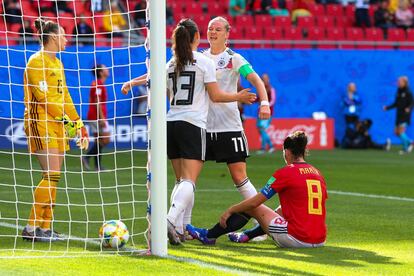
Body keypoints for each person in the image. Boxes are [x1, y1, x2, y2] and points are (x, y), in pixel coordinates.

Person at [121, 18, 257, 245]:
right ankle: (170, 219)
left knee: (180, 180)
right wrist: (239, 97)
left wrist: (131, 83)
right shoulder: (204, 62)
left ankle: (182, 227)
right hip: (192, 125)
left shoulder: (171, 63)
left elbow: (151, 77)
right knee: (189, 181)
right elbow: (215, 96)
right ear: (195, 38)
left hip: (170, 124)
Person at [171, 16, 271, 241]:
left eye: (217, 29)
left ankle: (261, 223)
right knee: (188, 178)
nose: (212, 32)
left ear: (227, 33)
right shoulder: (200, 57)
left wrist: (264, 103)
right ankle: (183, 226)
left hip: (229, 128)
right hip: (203, 127)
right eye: (209, 29)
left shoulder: (233, 59)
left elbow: (255, 80)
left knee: (239, 178)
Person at [186, 131, 328, 248]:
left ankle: (209, 235)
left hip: (298, 239)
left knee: (251, 205)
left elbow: (254, 203)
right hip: (320, 239)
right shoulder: (317, 173)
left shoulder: (285, 172)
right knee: (279, 210)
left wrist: (231, 210)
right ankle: (247, 235)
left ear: (287, 152)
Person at [21, 18, 89, 241]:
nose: (66, 39)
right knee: (51, 174)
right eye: (63, 35)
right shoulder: (35, 62)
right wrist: (66, 121)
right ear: (51, 38)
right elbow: (43, 99)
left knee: (54, 176)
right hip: (40, 122)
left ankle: (45, 227)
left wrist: (78, 123)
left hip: (57, 124)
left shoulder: (57, 63)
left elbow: (65, 96)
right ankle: (31, 228)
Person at [83, 64, 110, 171]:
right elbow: (97, 101)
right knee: (104, 139)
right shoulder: (97, 84)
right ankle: (87, 158)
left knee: (100, 140)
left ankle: (96, 165)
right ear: (101, 72)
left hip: (97, 116)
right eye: (105, 68)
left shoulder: (99, 84)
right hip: (96, 116)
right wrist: (102, 118)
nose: (107, 69)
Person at [383, 76, 413, 154]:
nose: (398, 83)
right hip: (399, 114)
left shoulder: (408, 92)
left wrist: (409, 108)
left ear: (405, 83)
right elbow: (396, 103)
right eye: (398, 82)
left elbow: (412, 103)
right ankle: (410, 142)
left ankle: (405, 148)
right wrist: (387, 107)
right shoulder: (398, 91)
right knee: (396, 132)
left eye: (400, 82)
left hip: (405, 115)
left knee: (401, 131)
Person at [256, 73, 276, 154]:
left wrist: (265, 106)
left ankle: (265, 148)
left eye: (265, 78)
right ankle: (270, 146)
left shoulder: (271, 89)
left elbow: (273, 100)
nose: (264, 80)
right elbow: (258, 99)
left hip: (267, 113)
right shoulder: (260, 89)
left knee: (262, 129)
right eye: (263, 78)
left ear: (268, 79)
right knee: (260, 129)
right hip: (260, 112)